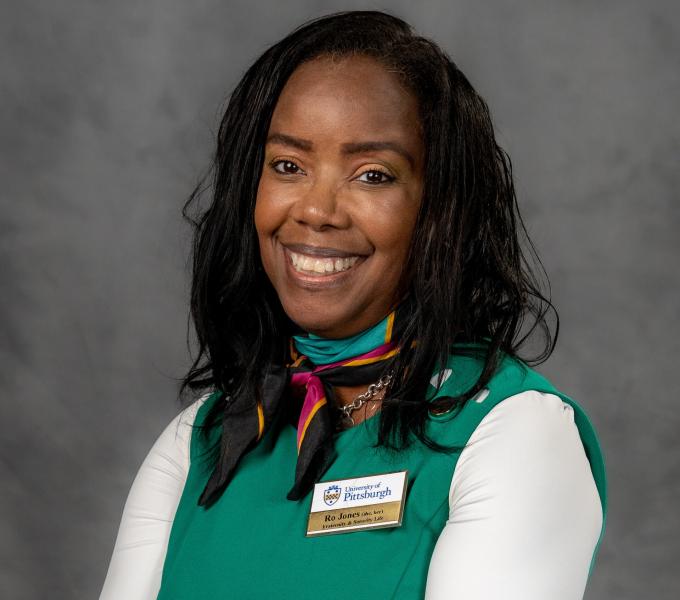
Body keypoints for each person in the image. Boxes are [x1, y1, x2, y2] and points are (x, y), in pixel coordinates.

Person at [100, 10, 607, 600]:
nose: (317, 210)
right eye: (288, 166)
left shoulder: (516, 434)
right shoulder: (201, 438)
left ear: (442, 211)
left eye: (373, 175)